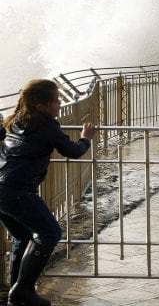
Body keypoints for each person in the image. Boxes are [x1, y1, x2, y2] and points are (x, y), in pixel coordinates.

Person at [0, 79, 98, 306]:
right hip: (18, 191)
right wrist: (86, 138)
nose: (60, 104)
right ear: (40, 104)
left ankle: (17, 291)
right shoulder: (46, 126)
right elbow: (72, 151)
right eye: (55, 100)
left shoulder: (15, 120)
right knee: (50, 233)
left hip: (3, 189)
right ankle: (22, 290)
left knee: (23, 236)